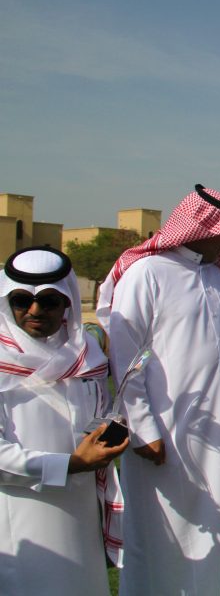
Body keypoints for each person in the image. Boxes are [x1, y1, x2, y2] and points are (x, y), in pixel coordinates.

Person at [97, 184, 220, 595]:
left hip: (217, 431)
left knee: (217, 530)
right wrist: (144, 429)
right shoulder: (147, 273)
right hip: (163, 433)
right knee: (161, 539)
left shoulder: (214, 274)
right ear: (200, 227)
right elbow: (126, 356)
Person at [0, 246, 128, 596]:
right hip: (20, 515)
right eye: (22, 300)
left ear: (67, 303)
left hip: (81, 511)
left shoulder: (86, 355)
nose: (35, 311)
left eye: (49, 302)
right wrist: (70, 464)